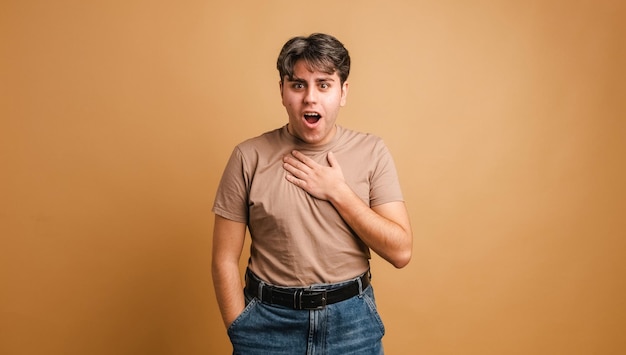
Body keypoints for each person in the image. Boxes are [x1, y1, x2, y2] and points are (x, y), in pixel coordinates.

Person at [211, 33, 413, 355]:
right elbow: (223, 258)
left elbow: (401, 251)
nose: (310, 98)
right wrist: (241, 329)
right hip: (267, 323)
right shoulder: (248, 157)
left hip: (352, 324)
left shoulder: (372, 151)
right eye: (298, 85)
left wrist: (338, 192)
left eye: (323, 84)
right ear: (282, 91)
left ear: (342, 92)